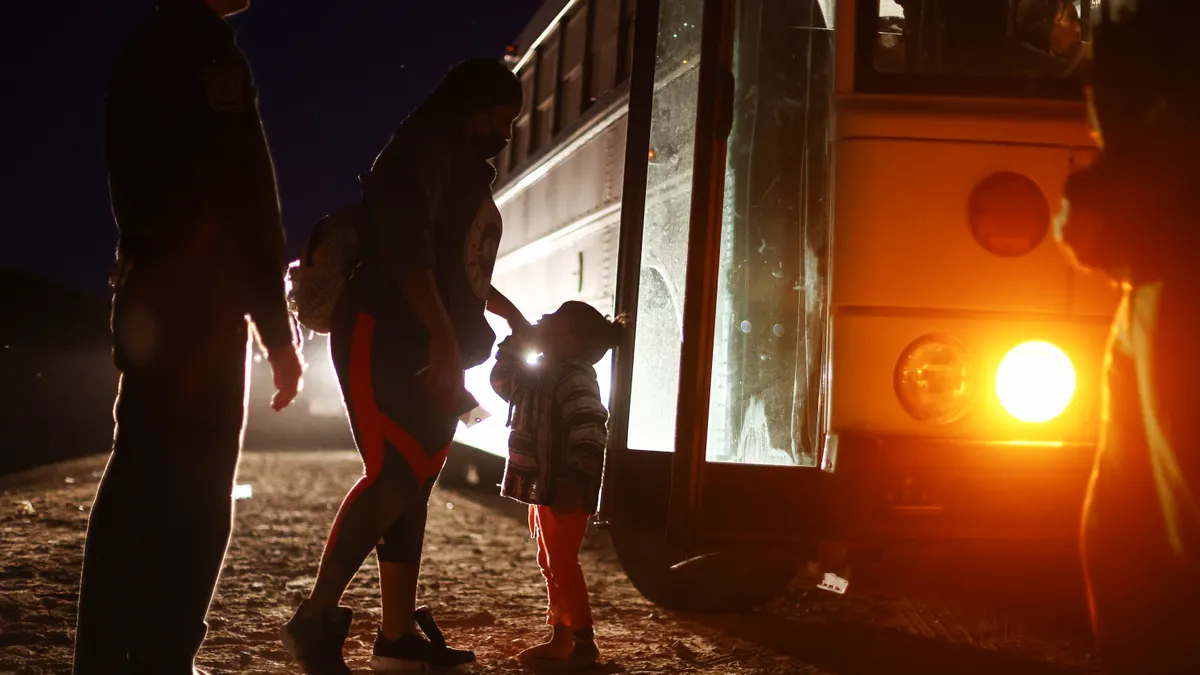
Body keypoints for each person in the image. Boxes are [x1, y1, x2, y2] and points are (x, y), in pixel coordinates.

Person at [72, 0, 305, 673]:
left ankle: (104, 657)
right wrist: (276, 328)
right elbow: (246, 197)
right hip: (203, 307)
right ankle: (163, 655)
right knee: (200, 497)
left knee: (137, 480)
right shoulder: (211, 54)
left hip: (148, 294)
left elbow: (138, 190)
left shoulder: (140, 48)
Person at [280, 58, 527, 674]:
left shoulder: (461, 162)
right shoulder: (421, 150)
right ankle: (314, 619)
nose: (507, 127)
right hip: (383, 331)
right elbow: (406, 252)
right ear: (477, 104)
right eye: (505, 113)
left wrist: (506, 313)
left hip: (424, 337)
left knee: (412, 483)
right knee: (394, 473)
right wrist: (445, 338)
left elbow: (453, 266)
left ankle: (396, 638)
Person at [1054, 1, 1200, 672]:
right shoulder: (1154, 290)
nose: (1091, 129)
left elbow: (1146, 533)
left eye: (1102, 109)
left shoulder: (1170, 305)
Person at [489, 301, 627, 664]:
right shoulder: (545, 371)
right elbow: (503, 383)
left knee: (562, 562)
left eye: (555, 318)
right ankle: (561, 634)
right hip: (545, 487)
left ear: (571, 339)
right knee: (551, 560)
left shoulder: (575, 375)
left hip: (564, 487)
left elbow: (589, 429)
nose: (544, 318)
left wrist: (574, 480)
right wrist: (515, 339)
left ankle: (583, 641)